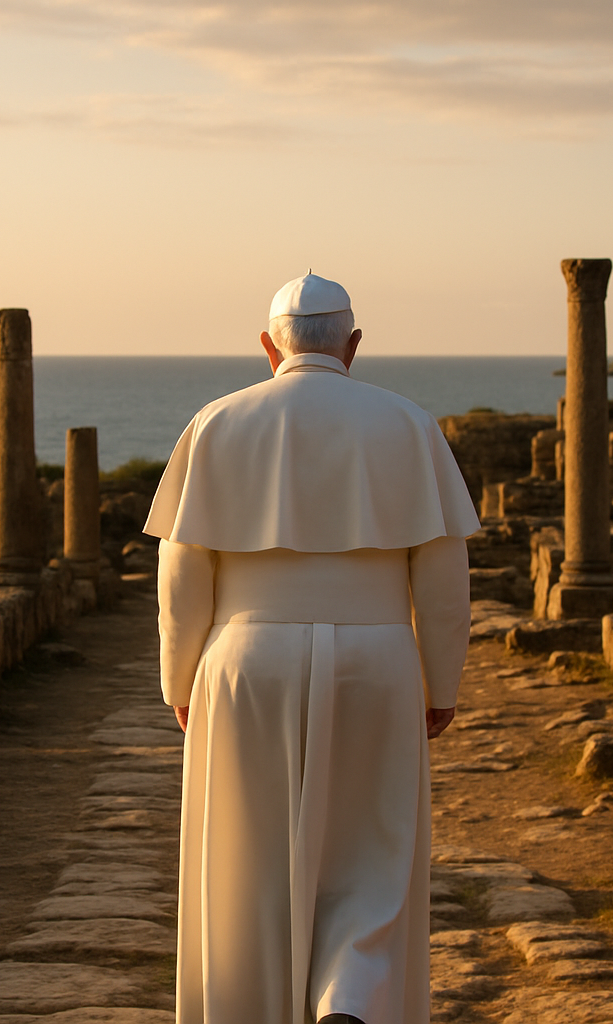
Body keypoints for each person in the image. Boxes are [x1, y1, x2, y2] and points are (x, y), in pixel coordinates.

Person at [145, 271, 479, 1024]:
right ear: (353, 346)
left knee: (247, 861)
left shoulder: (216, 423)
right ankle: (350, 1000)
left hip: (243, 661)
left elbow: (183, 573)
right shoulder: (409, 425)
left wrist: (179, 679)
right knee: (372, 853)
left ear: (268, 346)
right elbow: (443, 575)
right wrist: (441, 684)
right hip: (379, 659)